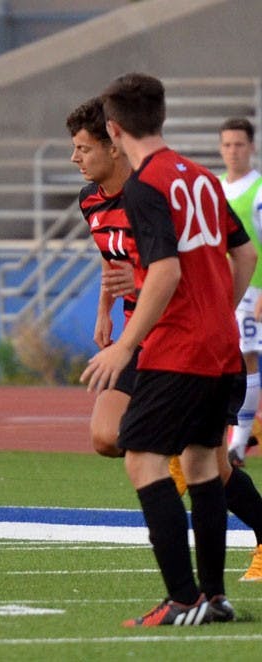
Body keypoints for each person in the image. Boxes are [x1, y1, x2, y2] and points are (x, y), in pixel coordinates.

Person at [82, 73, 256, 626]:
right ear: (161, 117)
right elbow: (245, 253)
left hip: (176, 347)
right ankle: (212, 597)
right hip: (222, 345)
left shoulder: (146, 185)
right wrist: (217, 311)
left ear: (114, 128)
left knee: (142, 458)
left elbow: (162, 271)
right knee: (203, 462)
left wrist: (124, 345)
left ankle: (183, 598)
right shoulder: (203, 176)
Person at [219, 117, 262, 467]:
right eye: (227, 144)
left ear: (252, 147)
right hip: (221, 290)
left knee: (247, 357)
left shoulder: (259, 190)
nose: (233, 151)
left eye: (239, 144)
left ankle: (240, 440)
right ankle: (242, 433)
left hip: (253, 289)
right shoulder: (214, 188)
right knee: (228, 360)